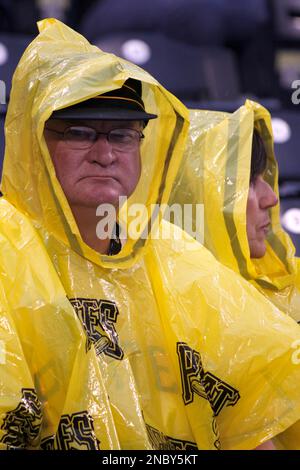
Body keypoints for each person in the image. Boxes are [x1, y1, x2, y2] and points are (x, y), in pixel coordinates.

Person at [1, 19, 300, 451]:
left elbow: (252, 413)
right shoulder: (7, 246)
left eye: (122, 135)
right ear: (36, 139)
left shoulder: (170, 251)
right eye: (80, 133)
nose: (104, 154)